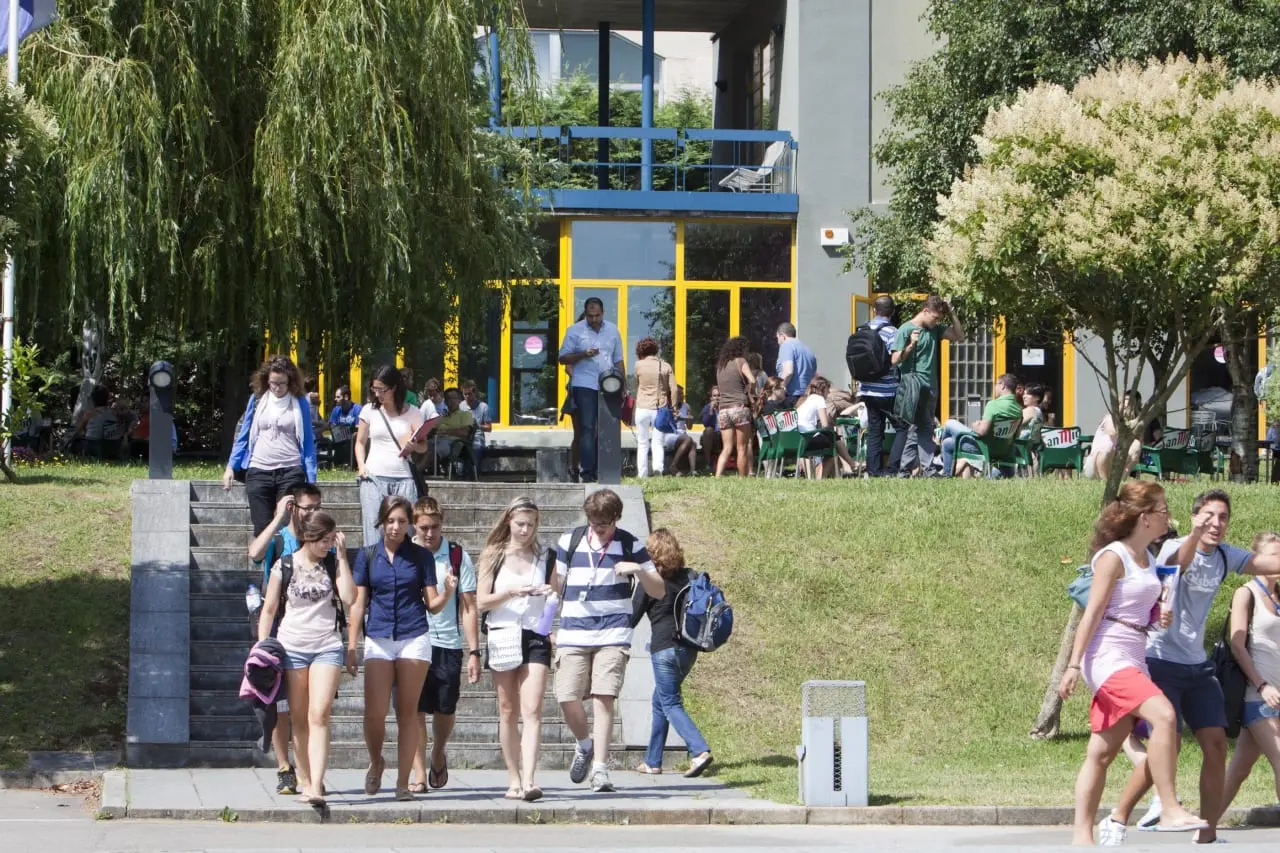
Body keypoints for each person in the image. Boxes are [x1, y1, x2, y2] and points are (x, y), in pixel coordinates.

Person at [1108, 489, 1280, 843]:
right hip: (1161, 660)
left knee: (1216, 744)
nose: (1216, 524)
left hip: (1198, 666)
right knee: (1165, 747)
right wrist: (1197, 534)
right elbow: (1179, 565)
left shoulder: (1224, 556)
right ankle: (1118, 816)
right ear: (1194, 517)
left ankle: (1208, 833)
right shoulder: (1173, 547)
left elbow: (1265, 565)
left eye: (1223, 518)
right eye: (1209, 516)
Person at [1058, 481, 1208, 845]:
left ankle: (1082, 836)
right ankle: (1170, 808)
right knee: (1166, 717)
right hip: (1107, 656)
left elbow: (1138, 608)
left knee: (1102, 752)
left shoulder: (1147, 558)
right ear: (1144, 518)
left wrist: (1159, 615)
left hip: (1134, 653)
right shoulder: (1114, 556)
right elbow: (1091, 614)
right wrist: (1074, 665)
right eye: (1162, 510)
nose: (1167, 516)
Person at [552, 489, 665, 792]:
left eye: (604, 523)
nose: (598, 529)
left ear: (616, 518)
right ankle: (584, 744)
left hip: (614, 633)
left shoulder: (630, 544)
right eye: (594, 522)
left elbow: (659, 591)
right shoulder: (570, 541)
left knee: (604, 698)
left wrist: (639, 570)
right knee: (566, 696)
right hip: (573, 631)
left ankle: (600, 769)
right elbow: (556, 586)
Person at [347, 495, 451, 801]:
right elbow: (357, 604)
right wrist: (352, 643)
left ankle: (404, 783)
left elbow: (432, 605)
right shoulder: (367, 555)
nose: (395, 527)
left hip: (413, 634)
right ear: (380, 521)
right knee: (374, 713)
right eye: (390, 521)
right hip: (378, 635)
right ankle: (376, 761)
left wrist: (447, 592)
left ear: (409, 524)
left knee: (408, 712)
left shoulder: (421, 557)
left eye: (402, 522)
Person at [256, 511, 355, 806]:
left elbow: (349, 598)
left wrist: (343, 559)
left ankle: (317, 788)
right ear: (309, 538)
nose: (328, 546)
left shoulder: (332, 563)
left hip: (327, 644)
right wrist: (263, 647)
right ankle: (307, 779)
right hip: (292, 647)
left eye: (331, 540)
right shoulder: (283, 566)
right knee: (299, 718)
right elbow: (270, 610)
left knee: (319, 713)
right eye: (324, 541)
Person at [476, 496, 557, 801]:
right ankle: (513, 777)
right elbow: (481, 601)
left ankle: (530, 779)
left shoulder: (545, 555)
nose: (526, 530)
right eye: (521, 524)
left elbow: (555, 595)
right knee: (507, 709)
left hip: (536, 633)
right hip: (502, 632)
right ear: (509, 521)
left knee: (533, 708)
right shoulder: (493, 554)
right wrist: (510, 593)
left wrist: (550, 593)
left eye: (531, 525)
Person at [246, 483, 325, 794]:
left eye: (318, 506)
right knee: (277, 704)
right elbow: (254, 554)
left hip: (312, 631)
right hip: (277, 628)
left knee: (307, 707)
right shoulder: (280, 540)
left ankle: (308, 770)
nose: (315, 512)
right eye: (309, 507)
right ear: (295, 508)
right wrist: (278, 518)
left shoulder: (323, 541)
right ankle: (284, 767)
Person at [407, 497, 480, 795]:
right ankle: (418, 772)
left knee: (445, 708)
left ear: (443, 523)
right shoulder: (406, 553)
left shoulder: (457, 555)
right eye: (423, 527)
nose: (429, 533)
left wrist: (474, 650)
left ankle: (438, 750)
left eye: (435, 527)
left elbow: (469, 606)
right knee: (414, 709)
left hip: (447, 642)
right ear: (415, 524)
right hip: (412, 641)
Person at [635, 528, 713, 778]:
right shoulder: (690, 576)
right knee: (661, 700)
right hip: (689, 649)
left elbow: (631, 618)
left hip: (664, 649)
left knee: (669, 701)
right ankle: (652, 761)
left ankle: (699, 751)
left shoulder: (651, 580)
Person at [223, 355, 318, 536]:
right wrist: (230, 467)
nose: (277, 388)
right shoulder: (257, 399)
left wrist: (311, 478)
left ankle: (286, 564)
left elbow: (307, 443)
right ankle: (269, 564)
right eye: (273, 383)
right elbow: (243, 436)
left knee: (287, 525)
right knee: (262, 529)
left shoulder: (300, 403)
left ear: (290, 381)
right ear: (266, 380)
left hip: (290, 470)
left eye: (282, 383)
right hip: (258, 470)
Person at [1221, 532, 1280, 813]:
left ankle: (1204, 827)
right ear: (1257, 558)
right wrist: (1262, 685)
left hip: (1277, 694)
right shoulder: (1246, 593)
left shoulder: (1278, 595)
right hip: (1257, 696)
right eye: (1273, 554)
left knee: (1239, 770)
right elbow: (1237, 644)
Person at [891, 296, 963, 477]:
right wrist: (910, 345)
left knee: (921, 429)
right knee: (916, 428)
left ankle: (909, 470)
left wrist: (952, 312)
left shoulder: (935, 329)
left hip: (930, 387)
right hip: (913, 387)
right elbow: (894, 360)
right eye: (935, 317)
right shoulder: (906, 329)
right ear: (925, 311)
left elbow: (959, 336)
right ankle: (924, 469)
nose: (937, 321)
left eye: (940, 318)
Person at [355, 366, 425, 546]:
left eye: (382, 390)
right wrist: (361, 466)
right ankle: (373, 569)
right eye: (374, 389)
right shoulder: (369, 410)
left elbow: (424, 446)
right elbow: (360, 442)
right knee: (373, 528)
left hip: (404, 478)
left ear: (394, 388)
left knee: (404, 529)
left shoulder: (413, 412)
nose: (377, 394)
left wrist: (413, 445)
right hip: (373, 476)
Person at [558, 297, 625, 482]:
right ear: (585, 314)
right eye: (590, 316)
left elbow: (618, 359)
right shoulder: (575, 330)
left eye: (597, 315)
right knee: (587, 428)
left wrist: (623, 386)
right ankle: (587, 471)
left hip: (609, 384)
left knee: (606, 428)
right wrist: (582, 354)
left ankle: (607, 470)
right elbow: (562, 358)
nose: (594, 319)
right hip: (584, 384)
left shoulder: (612, 330)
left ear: (603, 313)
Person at [857, 295, 908, 478]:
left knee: (874, 430)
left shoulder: (862, 329)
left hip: (866, 389)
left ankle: (873, 471)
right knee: (902, 427)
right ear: (892, 312)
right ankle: (892, 469)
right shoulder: (892, 332)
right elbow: (894, 360)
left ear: (874, 310)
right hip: (886, 390)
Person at [937, 373, 1023, 478]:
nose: (995, 387)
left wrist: (974, 423)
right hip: (1004, 450)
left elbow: (981, 431)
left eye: (996, 384)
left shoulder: (994, 405)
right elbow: (1016, 434)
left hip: (983, 448)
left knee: (949, 423)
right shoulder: (1018, 409)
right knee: (947, 443)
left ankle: (939, 454)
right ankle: (946, 475)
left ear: (1002, 385)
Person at [1085, 391, 1161, 479]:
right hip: (1094, 468)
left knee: (1136, 445)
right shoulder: (1110, 418)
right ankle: (1104, 482)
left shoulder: (1135, 422)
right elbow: (1113, 431)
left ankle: (1121, 480)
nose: (1126, 410)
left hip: (1114, 465)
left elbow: (1140, 442)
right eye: (1124, 406)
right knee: (1108, 444)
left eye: (1130, 407)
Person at [632, 337, 678, 478]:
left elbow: (636, 385)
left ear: (640, 351)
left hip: (642, 408)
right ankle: (658, 469)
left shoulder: (638, 365)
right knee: (658, 442)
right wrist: (674, 407)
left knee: (642, 443)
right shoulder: (665, 366)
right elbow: (674, 389)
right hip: (660, 408)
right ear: (656, 350)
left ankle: (643, 473)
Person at [795, 376, 857, 479]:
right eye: (828, 389)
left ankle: (850, 465)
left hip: (798, 438)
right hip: (808, 438)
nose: (829, 393)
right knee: (833, 439)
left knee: (832, 437)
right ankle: (850, 465)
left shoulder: (804, 400)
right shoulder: (819, 399)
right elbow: (825, 424)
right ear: (823, 389)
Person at [714, 336, 757, 478]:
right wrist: (750, 392)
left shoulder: (721, 366)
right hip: (739, 408)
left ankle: (718, 476)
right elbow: (752, 380)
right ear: (741, 349)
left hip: (723, 410)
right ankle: (742, 478)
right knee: (742, 447)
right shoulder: (741, 361)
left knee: (726, 447)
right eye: (746, 350)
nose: (747, 353)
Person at [430, 387, 475, 474]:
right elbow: (432, 431)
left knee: (432, 451)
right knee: (422, 447)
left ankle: (417, 472)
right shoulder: (441, 417)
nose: (451, 401)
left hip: (454, 444)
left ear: (459, 400)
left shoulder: (466, 415)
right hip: (436, 441)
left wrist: (445, 431)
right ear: (445, 402)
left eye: (454, 398)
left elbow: (465, 433)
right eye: (448, 399)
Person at [75, 385, 123, 460]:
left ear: (93, 399)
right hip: (111, 446)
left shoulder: (89, 413)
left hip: (94, 444)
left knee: (76, 440)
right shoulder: (113, 412)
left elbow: (78, 429)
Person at [775, 322, 817, 407]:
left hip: (791, 397)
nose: (778, 341)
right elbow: (813, 375)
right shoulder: (808, 350)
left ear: (782, 335)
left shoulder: (786, 345)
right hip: (806, 398)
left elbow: (788, 371)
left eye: (778, 338)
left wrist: (776, 390)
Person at [664, 385, 698, 475]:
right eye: (679, 394)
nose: (682, 396)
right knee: (688, 439)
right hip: (669, 434)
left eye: (682, 394)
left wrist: (690, 419)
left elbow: (690, 427)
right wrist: (673, 417)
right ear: (672, 395)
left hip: (682, 434)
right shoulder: (667, 406)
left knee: (693, 443)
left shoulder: (686, 406)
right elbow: (663, 424)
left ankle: (692, 470)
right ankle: (673, 466)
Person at [328, 385, 361, 469]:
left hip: (353, 438)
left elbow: (358, 428)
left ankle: (350, 464)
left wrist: (349, 433)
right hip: (340, 437)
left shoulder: (357, 408)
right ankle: (339, 464)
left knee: (351, 440)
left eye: (338, 397)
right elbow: (332, 425)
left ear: (346, 397)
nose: (335, 399)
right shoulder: (336, 410)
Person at [461, 380, 493, 466]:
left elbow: (489, 428)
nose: (467, 396)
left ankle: (474, 472)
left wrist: (478, 426)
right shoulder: (460, 406)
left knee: (475, 450)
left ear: (474, 393)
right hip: (462, 437)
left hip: (477, 438)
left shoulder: (483, 407)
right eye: (465, 394)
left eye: (469, 394)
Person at [698, 386, 722, 473]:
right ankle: (708, 464)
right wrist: (711, 411)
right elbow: (705, 423)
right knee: (708, 431)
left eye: (719, 395)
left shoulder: (726, 407)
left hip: (726, 434)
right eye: (715, 395)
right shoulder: (707, 408)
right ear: (711, 398)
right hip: (714, 435)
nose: (717, 398)